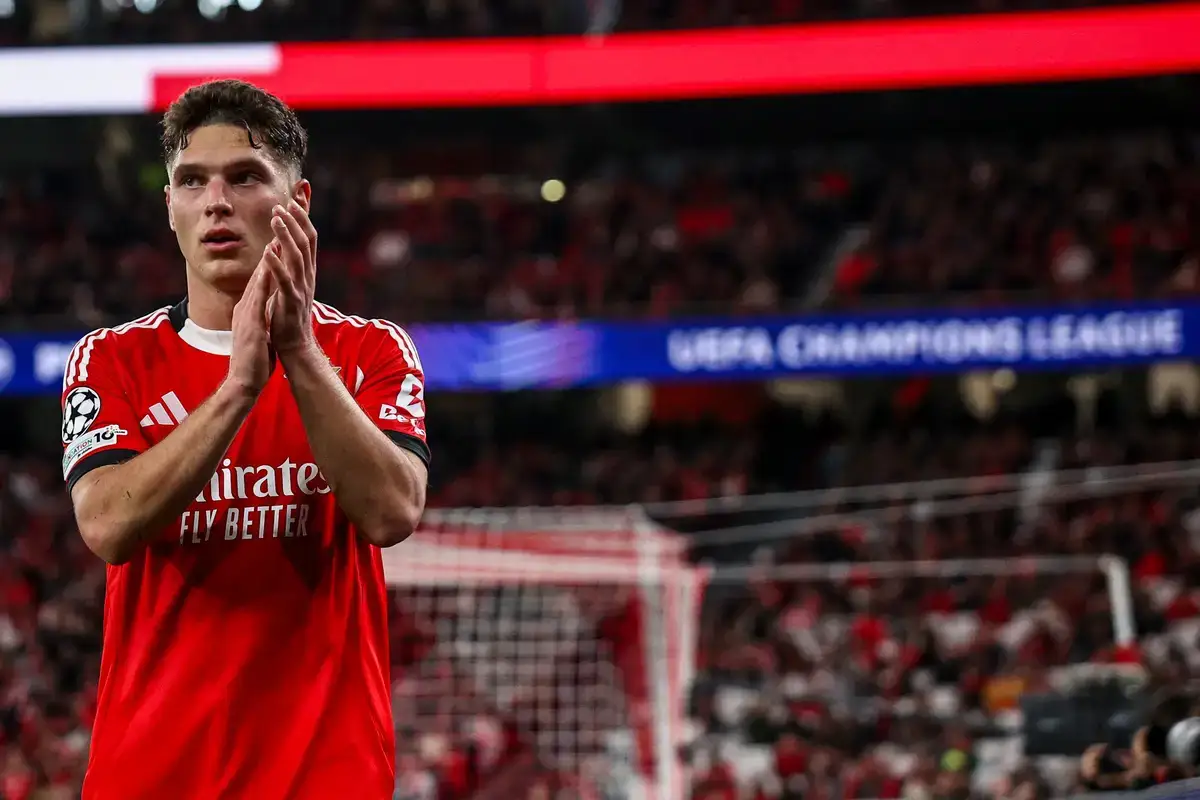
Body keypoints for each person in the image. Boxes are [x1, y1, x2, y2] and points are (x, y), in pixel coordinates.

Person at [59, 79, 429, 799]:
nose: (217, 202)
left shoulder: (371, 352)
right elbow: (106, 525)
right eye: (192, 181)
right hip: (154, 780)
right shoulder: (110, 359)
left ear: (299, 203)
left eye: (245, 177)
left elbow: (392, 513)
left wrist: (298, 351)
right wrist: (237, 388)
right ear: (170, 208)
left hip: (327, 780)